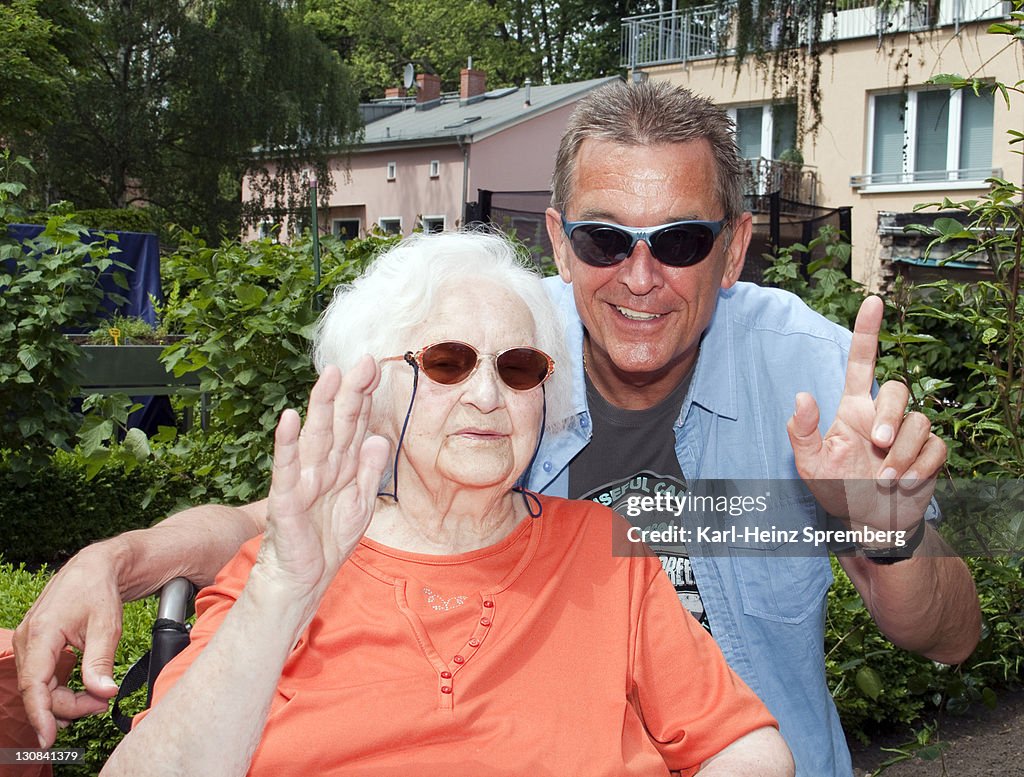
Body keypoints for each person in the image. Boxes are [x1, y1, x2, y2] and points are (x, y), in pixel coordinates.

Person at [14, 80, 979, 776]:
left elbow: (950, 638)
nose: (640, 278)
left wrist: (885, 530)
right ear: (558, 241)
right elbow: (309, 518)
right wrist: (125, 556)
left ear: (732, 252)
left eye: (681, 242)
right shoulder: (505, 336)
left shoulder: (808, 374)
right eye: (605, 239)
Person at [94, 231, 792, 776]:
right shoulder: (279, 568)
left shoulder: (604, 553)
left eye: (518, 367)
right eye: (448, 362)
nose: (488, 395)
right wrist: (281, 590)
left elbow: (749, 748)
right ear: (373, 389)